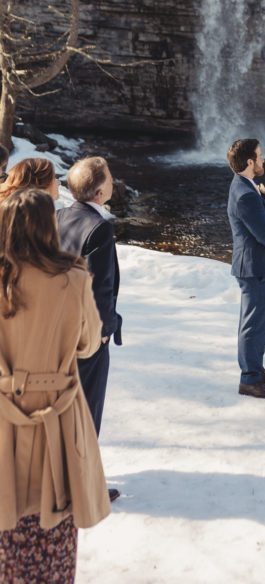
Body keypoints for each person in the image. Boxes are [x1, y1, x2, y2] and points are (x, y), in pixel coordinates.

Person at [0, 188, 110, 584]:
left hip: (3, 419)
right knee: (56, 523)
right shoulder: (73, 278)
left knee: (5, 521)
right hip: (58, 417)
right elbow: (87, 344)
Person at [57, 157, 122, 504]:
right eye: (110, 179)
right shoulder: (99, 228)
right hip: (86, 334)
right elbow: (100, 288)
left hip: (57, 329)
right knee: (87, 408)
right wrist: (104, 331)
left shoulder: (58, 217)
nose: (113, 182)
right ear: (100, 192)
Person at [227, 138, 265, 399]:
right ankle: (249, 379)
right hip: (254, 266)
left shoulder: (246, 187)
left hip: (258, 264)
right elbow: (262, 232)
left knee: (259, 321)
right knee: (253, 323)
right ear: (250, 161)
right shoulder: (244, 194)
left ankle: (256, 368)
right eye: (260, 156)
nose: (263, 160)